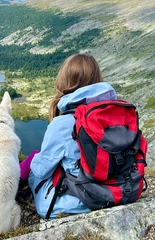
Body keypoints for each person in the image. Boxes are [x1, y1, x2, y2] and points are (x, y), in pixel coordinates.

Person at [18, 53, 118, 219]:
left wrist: (31, 163)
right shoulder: (114, 113)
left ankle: (5, 187)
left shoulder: (63, 123)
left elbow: (41, 170)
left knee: (35, 158)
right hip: (116, 192)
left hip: (79, 202)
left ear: (64, 82)